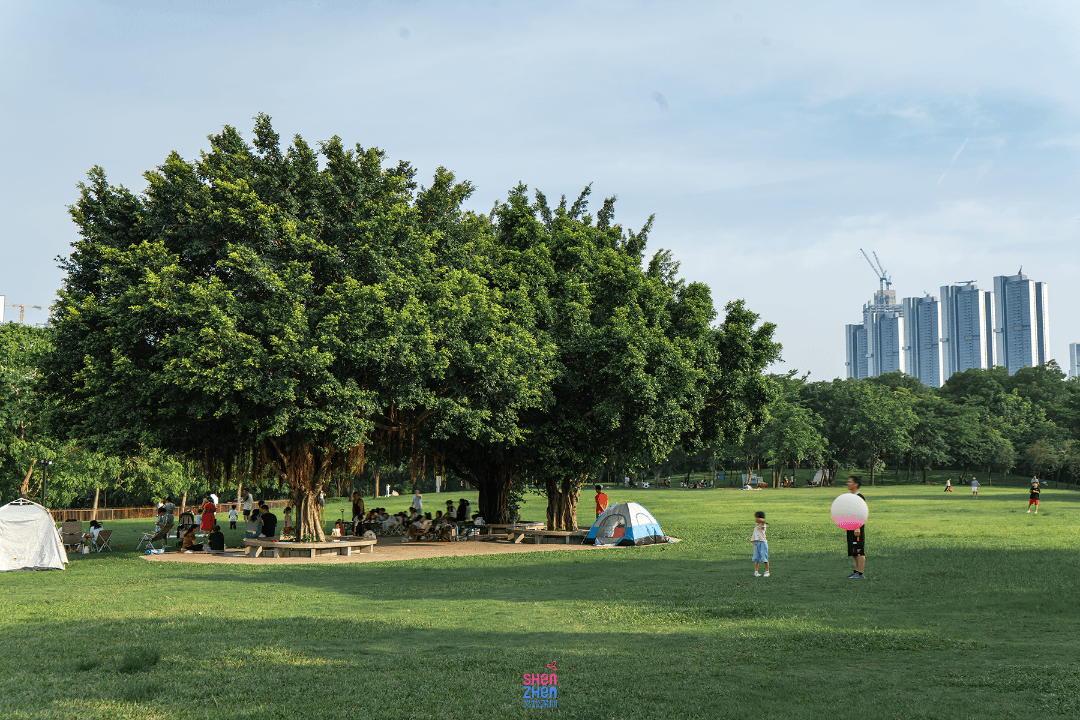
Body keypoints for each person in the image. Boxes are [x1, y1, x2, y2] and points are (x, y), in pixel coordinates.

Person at [846, 476, 866, 579]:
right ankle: (856, 570)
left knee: (859, 550)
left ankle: (861, 573)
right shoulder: (849, 497)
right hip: (849, 526)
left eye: (850, 482)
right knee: (853, 550)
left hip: (857, 527)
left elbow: (862, 513)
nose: (848, 483)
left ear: (856, 484)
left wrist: (858, 527)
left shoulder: (859, 497)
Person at [751, 511, 769, 577]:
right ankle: (756, 572)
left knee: (764, 557)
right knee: (756, 558)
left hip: (762, 542)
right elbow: (754, 534)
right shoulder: (756, 526)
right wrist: (752, 540)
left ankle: (767, 571)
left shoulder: (763, 524)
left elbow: (762, 522)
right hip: (757, 543)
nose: (755, 519)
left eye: (756, 517)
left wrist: (761, 519)